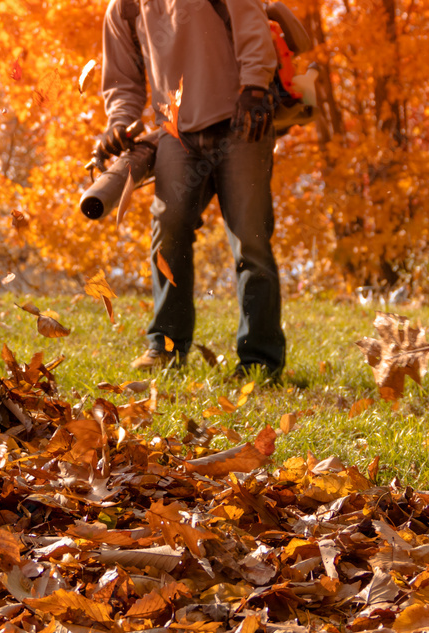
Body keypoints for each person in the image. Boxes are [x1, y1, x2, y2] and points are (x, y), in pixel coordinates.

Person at [97, 0, 286, 378]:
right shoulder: (125, 9)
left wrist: (254, 85)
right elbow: (123, 81)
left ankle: (260, 361)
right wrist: (119, 122)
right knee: (168, 234)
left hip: (241, 121)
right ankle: (166, 347)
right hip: (175, 133)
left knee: (251, 242)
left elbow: (252, 25)